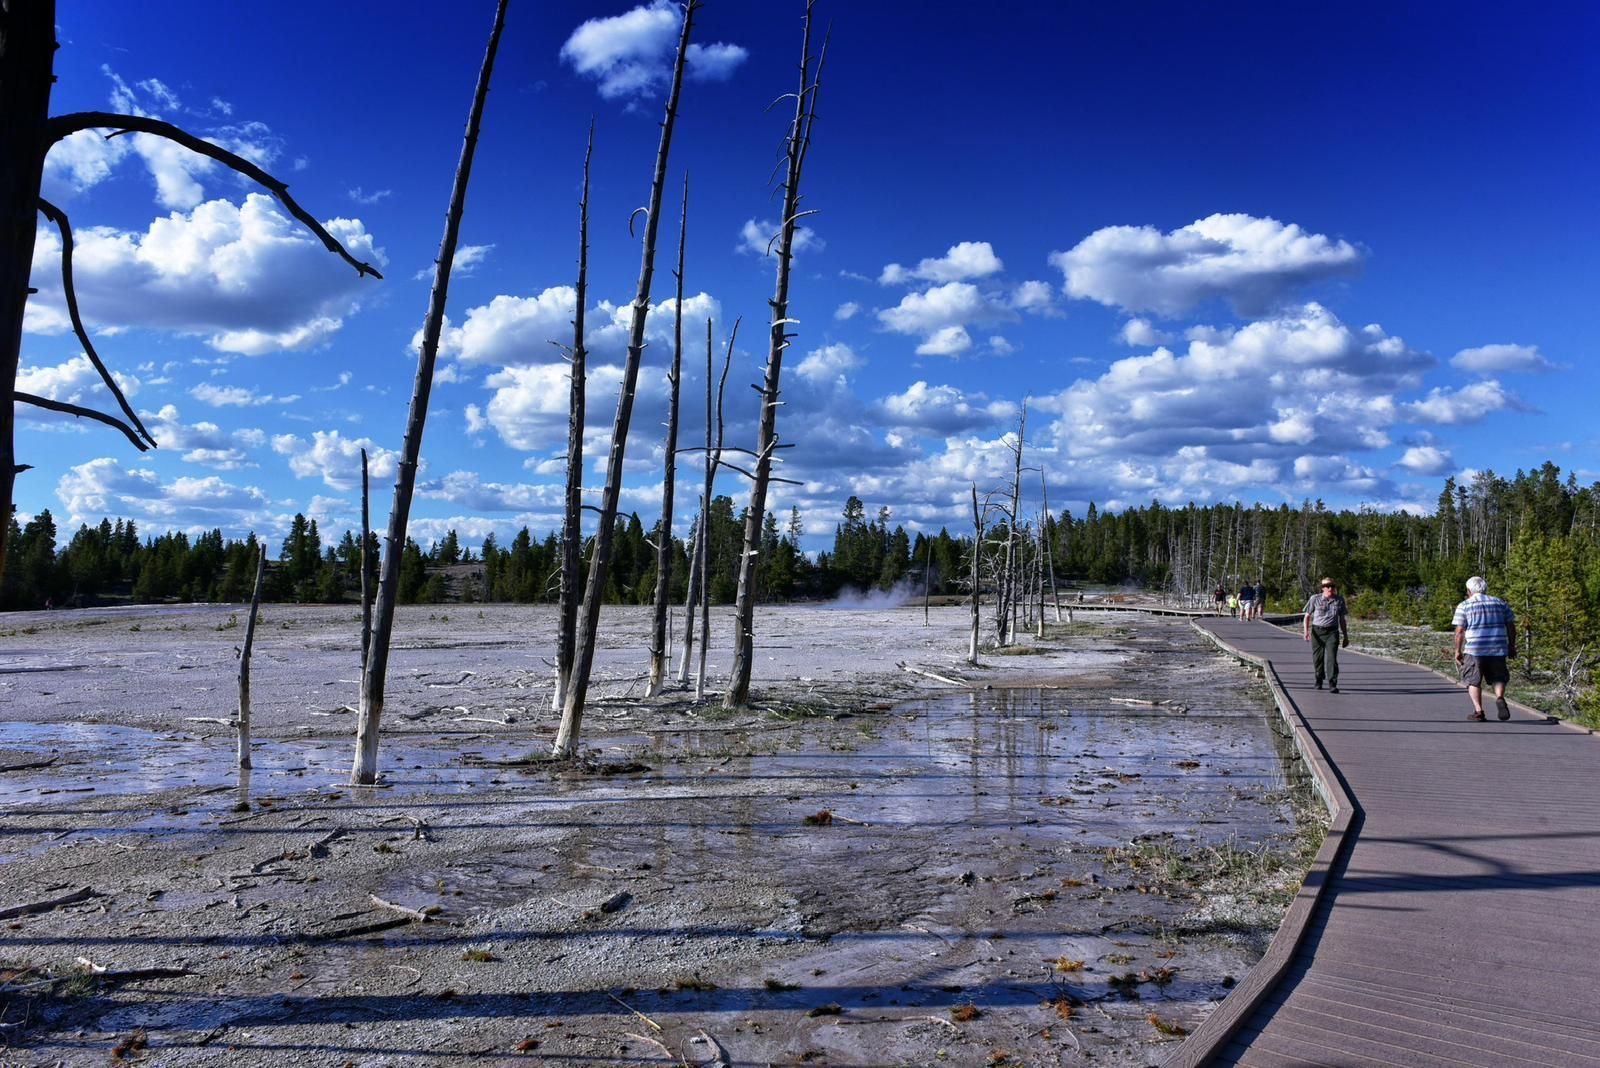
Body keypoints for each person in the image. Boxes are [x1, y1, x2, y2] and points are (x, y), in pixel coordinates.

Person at [1452, 575, 1517, 721]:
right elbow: (1511, 626)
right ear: (1485, 589)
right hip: (1497, 647)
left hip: (1475, 649)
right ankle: (1499, 697)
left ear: (1469, 590)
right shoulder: (1500, 603)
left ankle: (1479, 711)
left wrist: (1457, 650)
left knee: (1473, 680)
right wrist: (1511, 645)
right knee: (1498, 677)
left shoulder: (1464, 605)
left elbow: (1460, 631)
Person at [1302, 577, 1349, 692]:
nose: (1330, 588)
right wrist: (1306, 631)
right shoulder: (1315, 599)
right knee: (1318, 658)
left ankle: (1332, 683)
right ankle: (1319, 679)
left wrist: (1345, 636)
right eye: (1328, 586)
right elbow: (1307, 616)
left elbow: (1342, 619)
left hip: (1332, 632)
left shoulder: (1339, 600)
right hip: (1317, 631)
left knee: (1332, 658)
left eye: (1332, 586)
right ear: (1322, 588)